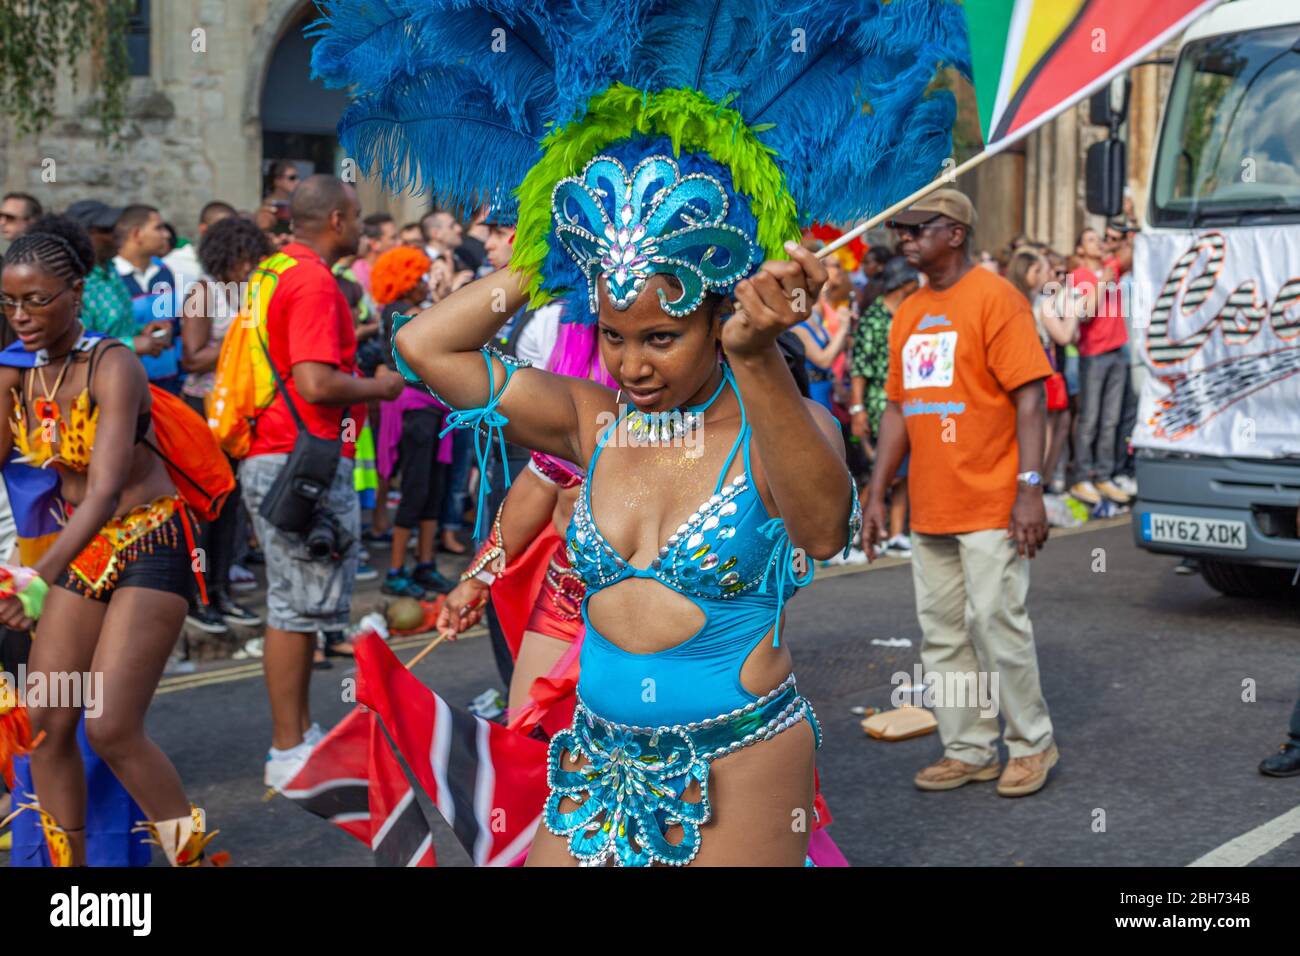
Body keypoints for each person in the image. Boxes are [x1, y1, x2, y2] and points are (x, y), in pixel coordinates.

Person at [0, 227, 222, 865]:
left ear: (75, 293)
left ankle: (195, 858)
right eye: (10, 304)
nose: (21, 317)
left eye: (37, 301)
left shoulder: (112, 362)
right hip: (83, 553)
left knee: (112, 726)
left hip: (151, 538)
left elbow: (100, 492)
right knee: (44, 729)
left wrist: (36, 577)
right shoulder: (16, 372)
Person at [867, 187, 1059, 798]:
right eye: (900, 228)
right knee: (944, 635)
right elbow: (898, 409)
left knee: (997, 623)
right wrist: (876, 493)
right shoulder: (909, 312)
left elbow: (1032, 397)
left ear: (955, 232)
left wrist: (1031, 489)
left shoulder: (997, 299)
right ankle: (970, 748)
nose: (904, 238)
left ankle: (1032, 744)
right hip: (931, 505)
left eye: (917, 227)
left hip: (993, 500)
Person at [238, 175, 405, 789]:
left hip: (275, 452)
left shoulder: (275, 270)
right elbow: (313, 382)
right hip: (299, 458)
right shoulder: (312, 280)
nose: (362, 228)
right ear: (336, 218)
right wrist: (380, 387)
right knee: (293, 607)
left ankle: (298, 735)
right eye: (358, 217)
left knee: (295, 603)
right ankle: (287, 746)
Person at [179, 216, 272, 633]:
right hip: (203, 410)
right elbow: (192, 357)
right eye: (244, 259)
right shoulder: (204, 292)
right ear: (226, 257)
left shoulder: (251, 293)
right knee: (206, 507)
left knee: (231, 506)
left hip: (238, 412)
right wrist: (240, 340)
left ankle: (221, 590)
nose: (250, 266)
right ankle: (197, 596)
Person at [368, 245, 454, 597]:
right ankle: (395, 570)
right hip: (413, 410)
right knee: (416, 488)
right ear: (404, 281)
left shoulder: (417, 308)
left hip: (434, 408)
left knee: (435, 488)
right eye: (418, 277)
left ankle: (424, 563)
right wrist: (441, 298)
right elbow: (437, 328)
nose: (422, 283)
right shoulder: (399, 313)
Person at [850, 256, 918, 557]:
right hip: (881, 402)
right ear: (904, 284)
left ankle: (895, 532)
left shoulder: (909, 314)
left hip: (908, 399)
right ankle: (854, 533)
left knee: (904, 471)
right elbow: (859, 367)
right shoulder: (875, 317)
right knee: (886, 469)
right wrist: (857, 409)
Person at [1007, 247, 1078, 498]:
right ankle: (1039, 483)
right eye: (1039, 270)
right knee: (1044, 430)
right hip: (1040, 369)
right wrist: (1072, 310)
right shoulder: (1041, 303)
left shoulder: (1013, 298)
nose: (1044, 275)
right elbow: (1065, 335)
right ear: (1027, 273)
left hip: (1024, 369)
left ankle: (1034, 481)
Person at [1068, 226, 1130, 506]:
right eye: (1091, 239)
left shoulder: (1111, 267)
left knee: (1111, 419)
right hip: (1093, 354)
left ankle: (1104, 474)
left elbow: (1132, 252)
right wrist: (1103, 281)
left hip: (1117, 351)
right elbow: (1084, 313)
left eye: (1099, 239)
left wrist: (1121, 239)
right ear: (1080, 249)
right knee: (1090, 419)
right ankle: (1082, 477)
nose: (1098, 244)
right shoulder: (1078, 276)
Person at [65, 201, 171, 358]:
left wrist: (141, 330)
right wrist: (131, 344)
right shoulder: (73, 280)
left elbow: (114, 327)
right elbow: (76, 345)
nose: (118, 234)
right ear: (84, 236)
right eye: (108, 230)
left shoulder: (110, 270)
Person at [113, 204, 183, 394]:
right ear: (137, 234)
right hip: (126, 386)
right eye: (158, 228)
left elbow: (175, 326)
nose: (166, 235)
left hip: (169, 384)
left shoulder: (164, 272)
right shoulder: (111, 277)